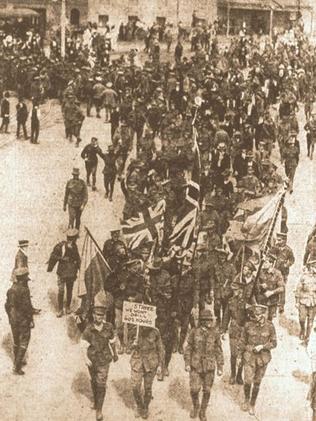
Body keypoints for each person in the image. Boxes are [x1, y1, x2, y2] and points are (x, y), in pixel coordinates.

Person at [81, 291, 118, 421]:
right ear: (93, 315)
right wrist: (86, 359)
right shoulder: (89, 329)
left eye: (101, 315)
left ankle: (99, 410)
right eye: (97, 315)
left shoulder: (109, 327)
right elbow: (83, 345)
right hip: (92, 360)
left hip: (104, 359)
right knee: (94, 381)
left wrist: (115, 354)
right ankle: (96, 400)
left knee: (101, 383)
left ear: (104, 316)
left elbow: (112, 341)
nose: (99, 317)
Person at [184, 309, 224, 421]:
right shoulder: (194, 332)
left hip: (209, 366)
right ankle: (196, 406)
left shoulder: (215, 333)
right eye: (207, 320)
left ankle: (202, 411)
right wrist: (187, 363)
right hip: (196, 365)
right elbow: (188, 349)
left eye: (210, 320)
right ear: (202, 321)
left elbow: (218, 350)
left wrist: (220, 367)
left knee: (207, 390)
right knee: (194, 389)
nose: (210, 322)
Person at [240, 304, 277, 416]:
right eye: (255, 314)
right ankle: (246, 400)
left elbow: (274, 343)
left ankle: (252, 404)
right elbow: (242, 341)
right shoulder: (248, 325)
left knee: (257, 382)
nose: (256, 316)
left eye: (259, 314)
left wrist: (263, 346)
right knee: (247, 380)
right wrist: (239, 356)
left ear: (263, 314)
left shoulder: (270, 326)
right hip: (249, 356)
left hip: (263, 358)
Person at [5, 267, 35, 375]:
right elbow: (27, 307)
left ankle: (16, 360)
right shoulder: (24, 290)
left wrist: (10, 317)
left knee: (16, 340)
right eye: (26, 278)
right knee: (24, 341)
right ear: (23, 279)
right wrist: (31, 319)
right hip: (23, 320)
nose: (27, 280)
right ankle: (17, 367)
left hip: (13, 320)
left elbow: (7, 305)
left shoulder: (10, 290)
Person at [130, 326, 164, 419]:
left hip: (151, 363)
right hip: (137, 361)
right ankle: (139, 405)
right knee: (135, 386)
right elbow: (127, 346)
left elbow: (160, 349)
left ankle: (145, 407)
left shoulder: (155, 331)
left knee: (147, 387)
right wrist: (133, 344)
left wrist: (161, 365)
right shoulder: (134, 329)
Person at [47, 228, 81, 317]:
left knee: (69, 290)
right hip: (62, 273)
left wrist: (80, 268)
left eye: (73, 239)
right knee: (61, 290)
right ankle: (60, 309)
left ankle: (68, 307)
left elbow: (77, 258)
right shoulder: (60, 246)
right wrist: (61, 259)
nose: (72, 241)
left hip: (71, 273)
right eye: (71, 239)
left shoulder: (75, 246)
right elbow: (53, 256)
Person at [271, 232, 295, 313]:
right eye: (277, 240)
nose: (278, 241)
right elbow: (270, 255)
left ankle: (281, 305)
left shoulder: (288, 250)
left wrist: (286, 265)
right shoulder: (275, 247)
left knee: (282, 288)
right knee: (273, 286)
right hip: (274, 270)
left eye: (280, 240)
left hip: (283, 272)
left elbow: (292, 260)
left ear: (284, 240)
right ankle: (273, 302)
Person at [295, 258, 316, 344]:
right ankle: (302, 329)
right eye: (313, 266)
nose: (314, 268)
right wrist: (296, 301)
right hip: (303, 301)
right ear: (309, 267)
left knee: (310, 321)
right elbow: (298, 289)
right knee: (302, 319)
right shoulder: (304, 277)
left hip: (313, 301)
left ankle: (307, 337)